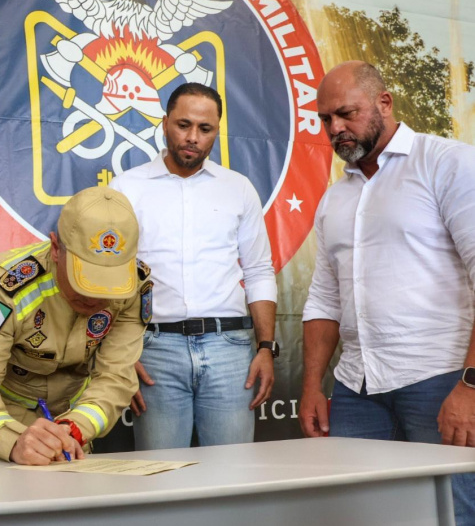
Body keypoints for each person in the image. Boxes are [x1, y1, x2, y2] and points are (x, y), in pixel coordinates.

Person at [299, 60, 475, 524]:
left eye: (346, 113)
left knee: (454, 514)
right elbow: (323, 299)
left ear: (384, 103)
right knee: (358, 515)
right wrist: (313, 385)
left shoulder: (448, 163)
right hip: (356, 389)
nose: (336, 128)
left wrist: (472, 386)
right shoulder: (335, 198)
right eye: (325, 119)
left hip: (442, 381)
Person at [110, 83, 278, 450]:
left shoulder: (238, 188)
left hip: (230, 349)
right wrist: (120, 354)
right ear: (165, 122)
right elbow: (110, 277)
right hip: (155, 351)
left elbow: (259, 271)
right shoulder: (127, 188)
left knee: (234, 479)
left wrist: (266, 347)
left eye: (205, 129)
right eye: (183, 125)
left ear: (216, 131)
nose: (192, 138)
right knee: (161, 480)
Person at [0, 186, 150, 465]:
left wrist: (74, 428)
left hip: (72, 427)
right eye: (87, 278)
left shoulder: (134, 287)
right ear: (56, 249)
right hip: (5, 419)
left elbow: (116, 378)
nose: (97, 296)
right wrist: (14, 442)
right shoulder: (7, 284)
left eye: (110, 283)